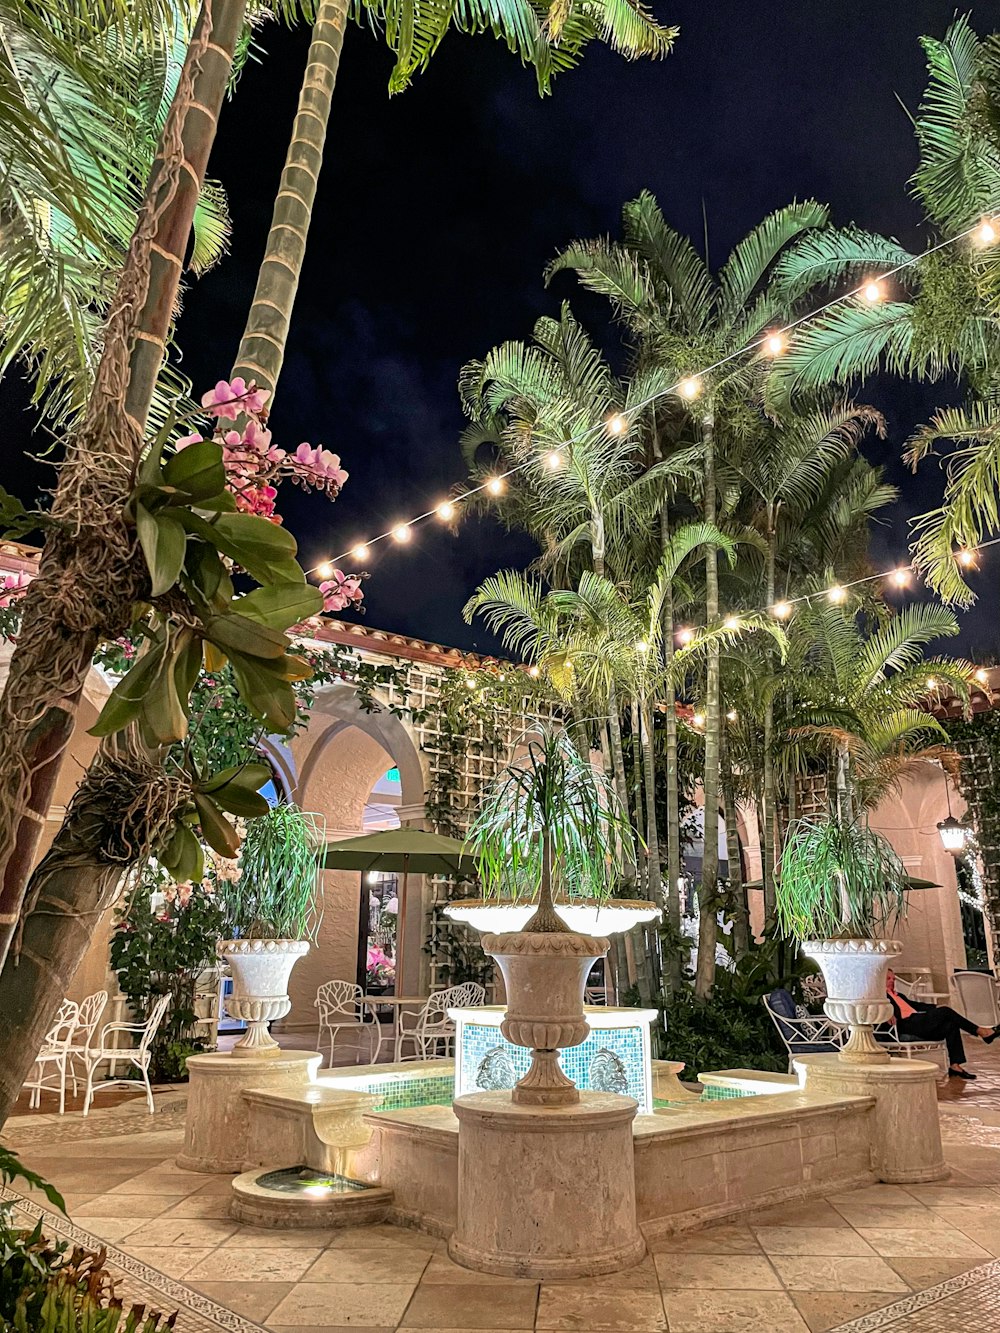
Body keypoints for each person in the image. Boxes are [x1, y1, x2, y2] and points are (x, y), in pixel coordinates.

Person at [886, 969, 998, 1079]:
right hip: (906, 1024)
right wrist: (888, 1013)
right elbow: (877, 1009)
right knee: (946, 1011)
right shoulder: (881, 998)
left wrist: (934, 1007)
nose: (892, 981)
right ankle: (981, 1031)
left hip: (919, 1021)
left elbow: (915, 1005)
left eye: (893, 979)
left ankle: (955, 1066)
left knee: (950, 1025)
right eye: (888, 979)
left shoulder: (899, 995)